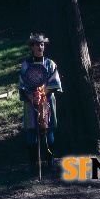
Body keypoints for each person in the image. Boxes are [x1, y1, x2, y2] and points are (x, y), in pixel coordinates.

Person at [19, 33, 62, 173]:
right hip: (31, 102)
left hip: (46, 101)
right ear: (32, 47)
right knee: (32, 131)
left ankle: (51, 163)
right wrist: (32, 98)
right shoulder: (26, 65)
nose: (40, 47)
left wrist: (43, 94)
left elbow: (54, 83)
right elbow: (22, 84)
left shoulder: (50, 64)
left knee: (48, 131)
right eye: (37, 44)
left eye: (42, 44)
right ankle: (32, 163)